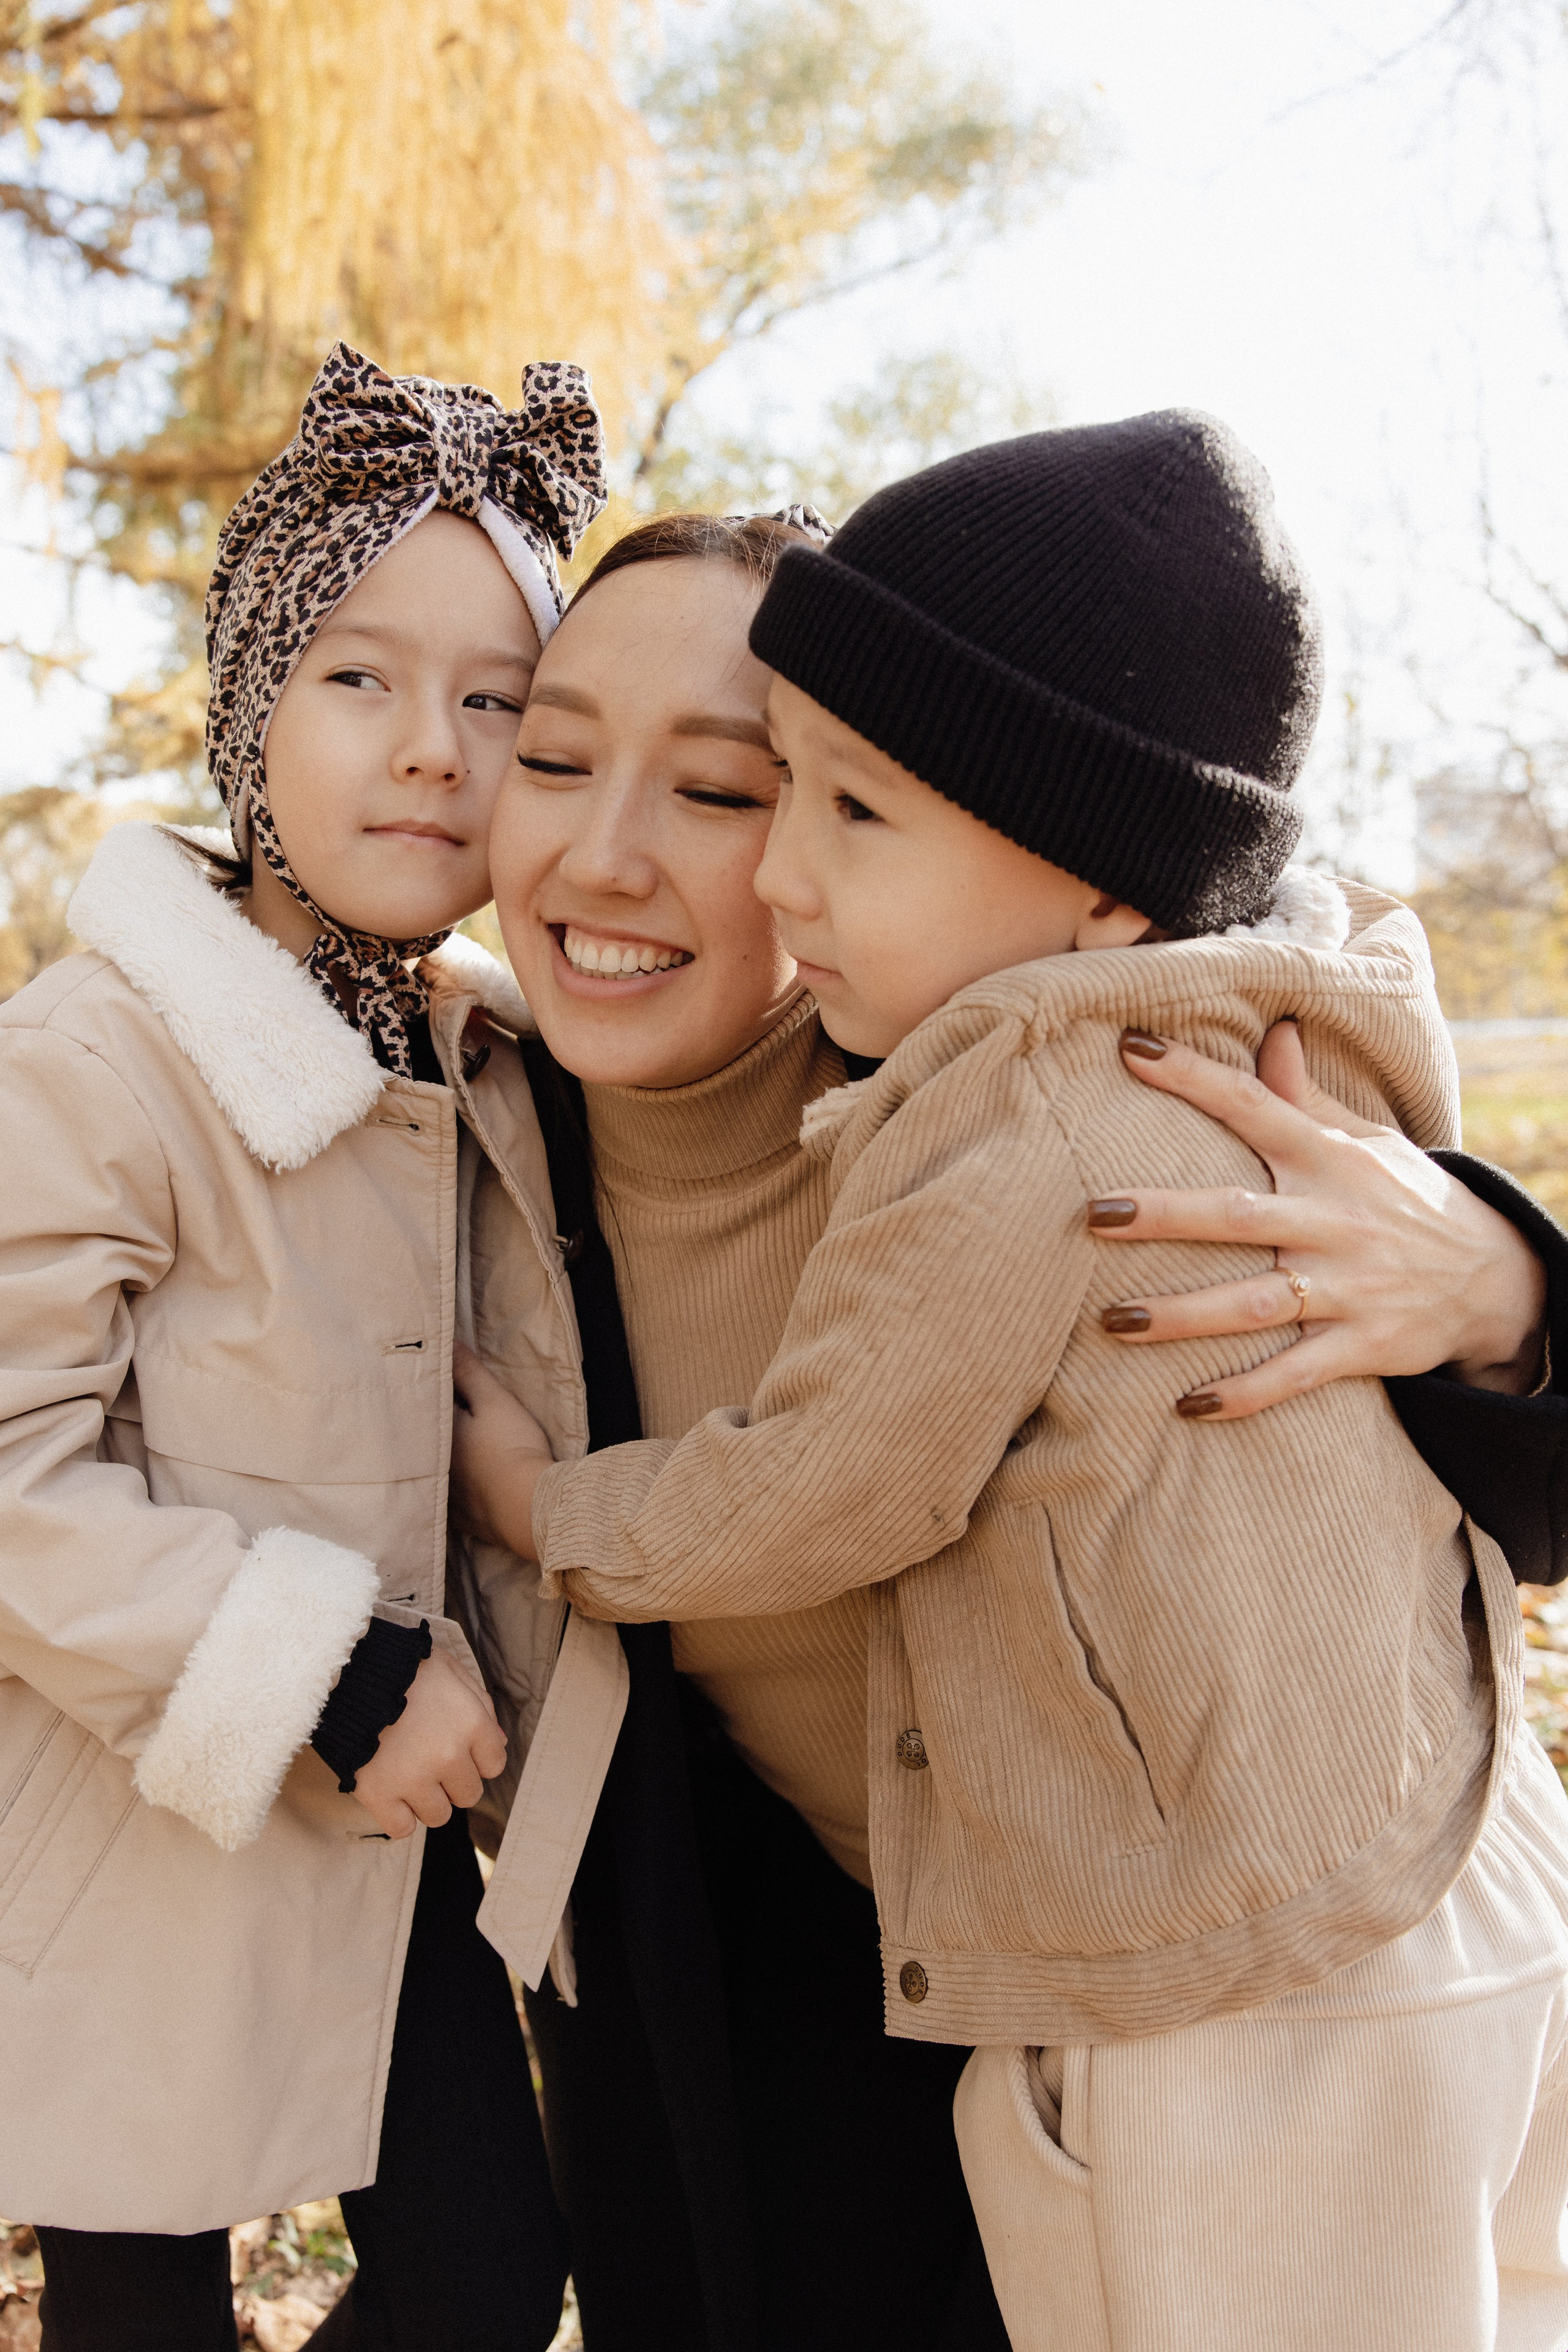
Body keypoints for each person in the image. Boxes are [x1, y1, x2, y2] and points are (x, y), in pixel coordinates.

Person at [456, 416, 1568, 2352]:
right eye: (547, 756)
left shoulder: (1053, 1104)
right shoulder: (437, 1137)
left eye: (747, 788)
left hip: (1245, 1959)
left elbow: (837, 1471)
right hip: (906, 2001)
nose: (611, 846)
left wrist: (1504, 1283)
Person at [0, 342, 607, 2352]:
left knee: (484, 2275)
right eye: (360, 675)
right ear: (254, 704)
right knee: (135, 2291)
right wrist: (326, 1662)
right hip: (146, 1817)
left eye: (499, 699)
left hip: (395, 1822)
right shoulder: (100, 1055)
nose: (434, 748)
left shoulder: (485, 1054)